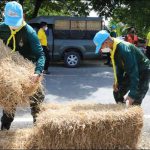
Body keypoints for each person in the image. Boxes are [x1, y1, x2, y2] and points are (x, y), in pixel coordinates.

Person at [0, 1, 46, 130]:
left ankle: (39, 130)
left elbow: (40, 55)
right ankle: (4, 129)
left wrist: (37, 72)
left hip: (28, 69)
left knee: (37, 101)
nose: (13, 26)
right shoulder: (2, 28)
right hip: (10, 70)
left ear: (23, 17)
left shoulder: (29, 32)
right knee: (9, 102)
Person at [93, 30, 150, 106]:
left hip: (143, 69)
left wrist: (132, 94)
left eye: (101, 47)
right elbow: (119, 67)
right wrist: (117, 82)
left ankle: (134, 108)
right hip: (131, 69)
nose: (101, 49)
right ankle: (122, 110)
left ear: (106, 42)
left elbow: (134, 72)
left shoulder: (124, 50)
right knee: (117, 92)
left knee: (135, 100)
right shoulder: (113, 47)